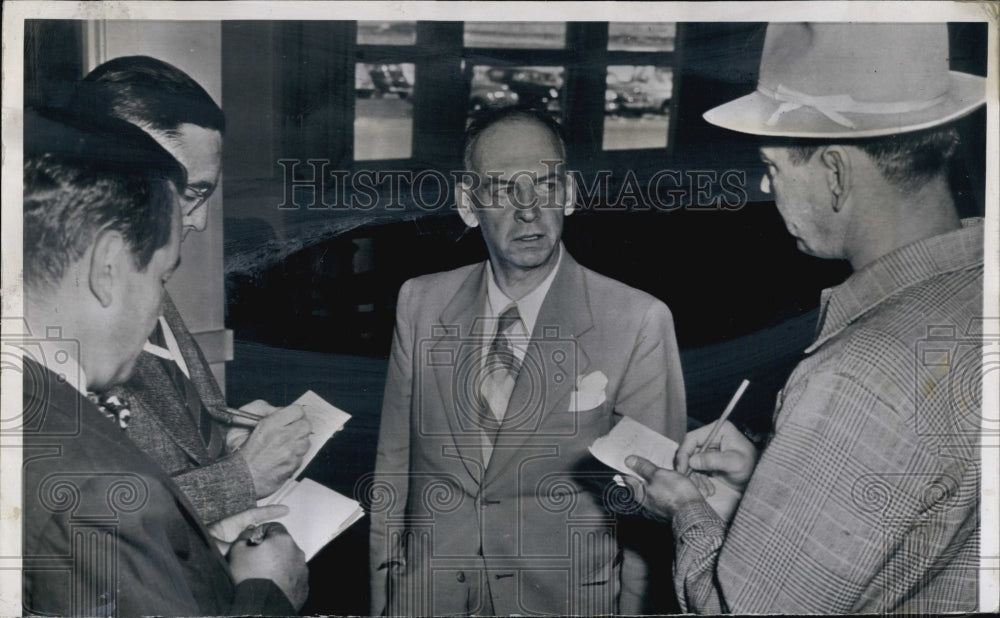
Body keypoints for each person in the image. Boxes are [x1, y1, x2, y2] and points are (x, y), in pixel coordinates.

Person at [624, 23, 984, 613]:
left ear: (837, 174)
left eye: (774, 167)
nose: (767, 186)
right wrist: (771, 481)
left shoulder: (856, 375)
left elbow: (732, 608)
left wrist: (684, 509)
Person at [370, 107, 687, 616]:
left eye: (544, 184)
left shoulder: (638, 320)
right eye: (499, 188)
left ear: (570, 193)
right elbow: (393, 471)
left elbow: (651, 511)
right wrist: (384, 600)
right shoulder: (420, 303)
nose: (527, 209)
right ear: (468, 205)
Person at [20, 108, 309, 615]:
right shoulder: (93, 490)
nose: (158, 305)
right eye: (161, 277)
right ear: (106, 269)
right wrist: (267, 593)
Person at [72, 56, 311, 524]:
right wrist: (244, 475)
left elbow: (165, 442)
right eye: (191, 194)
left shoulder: (145, 269)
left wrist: (223, 437)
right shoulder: (45, 319)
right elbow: (81, 519)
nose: (199, 221)